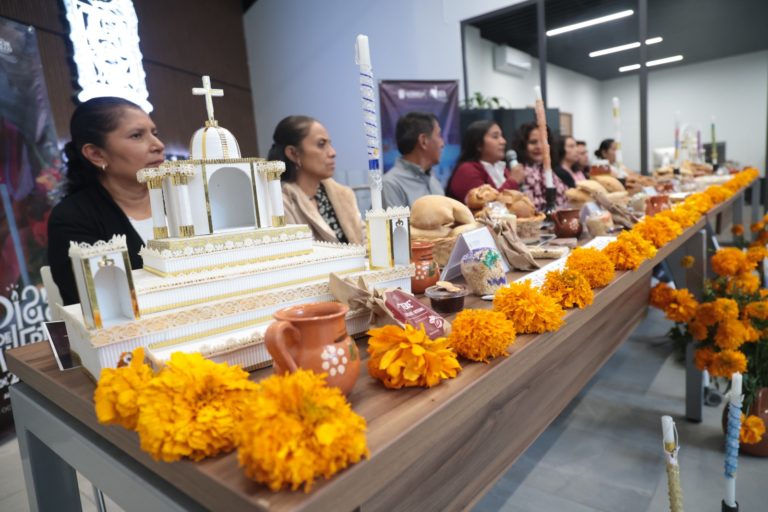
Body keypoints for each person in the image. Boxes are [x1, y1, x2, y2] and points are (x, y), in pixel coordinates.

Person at [48, 97, 166, 305]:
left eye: (154, 133)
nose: (158, 145)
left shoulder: (182, 199)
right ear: (96, 154)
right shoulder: (72, 218)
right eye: (137, 135)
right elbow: (101, 302)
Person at [270, 115, 363, 245]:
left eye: (330, 144)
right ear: (293, 153)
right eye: (321, 144)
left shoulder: (343, 195)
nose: (332, 153)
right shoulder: (281, 205)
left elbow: (365, 241)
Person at [446, 120, 524, 204]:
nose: (503, 141)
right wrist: (513, 181)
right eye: (495, 137)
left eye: (502, 136)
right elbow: (486, 206)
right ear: (479, 145)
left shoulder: (502, 169)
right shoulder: (467, 170)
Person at [382, 112, 445, 208]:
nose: (442, 143)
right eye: (439, 135)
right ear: (423, 141)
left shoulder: (433, 181)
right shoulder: (390, 185)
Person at [511, 123, 567, 211]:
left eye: (543, 142)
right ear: (523, 145)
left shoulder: (550, 171)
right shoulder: (519, 172)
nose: (539, 147)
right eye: (533, 142)